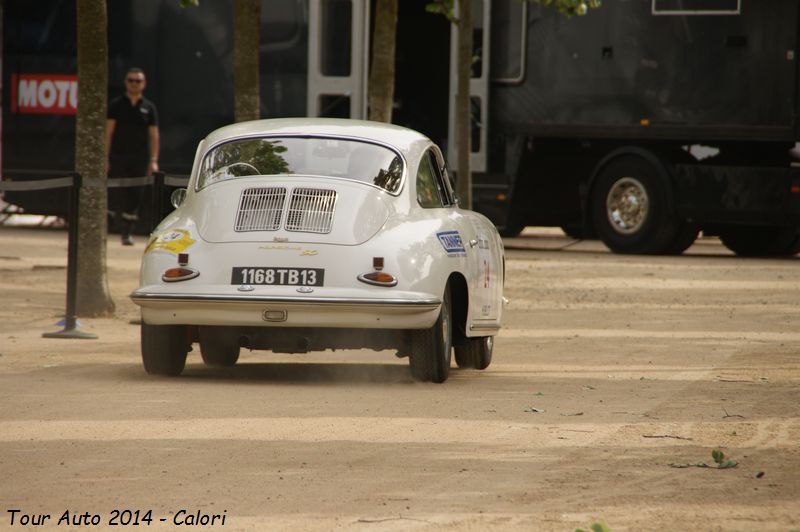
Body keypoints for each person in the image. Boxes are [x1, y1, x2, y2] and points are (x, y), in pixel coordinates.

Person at [106, 67, 160, 245]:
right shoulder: (116, 104)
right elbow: (108, 132)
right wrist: (105, 158)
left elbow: (154, 135)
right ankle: (108, 228)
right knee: (114, 191)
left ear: (143, 84)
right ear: (126, 82)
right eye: (131, 80)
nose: (134, 84)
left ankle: (127, 233)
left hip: (140, 158)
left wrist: (153, 160)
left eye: (138, 81)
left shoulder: (149, 107)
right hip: (117, 156)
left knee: (135, 195)